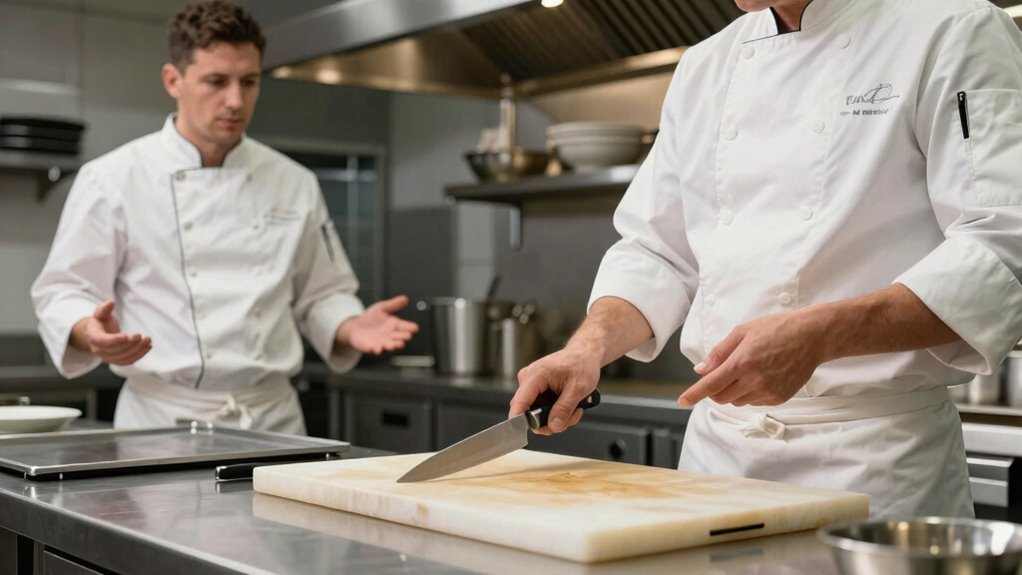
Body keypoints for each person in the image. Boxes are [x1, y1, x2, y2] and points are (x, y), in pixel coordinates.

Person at [511, 0, 1022, 517]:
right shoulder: (705, 66)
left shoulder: (953, 30)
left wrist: (818, 336)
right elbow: (656, 250)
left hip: (875, 468)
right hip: (718, 463)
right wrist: (587, 350)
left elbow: (1003, 245)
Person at [31, 0, 418, 434]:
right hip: (161, 423)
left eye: (249, 82)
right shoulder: (113, 179)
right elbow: (64, 291)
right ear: (173, 80)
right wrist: (88, 332)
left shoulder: (293, 181)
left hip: (272, 421)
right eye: (216, 81)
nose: (235, 100)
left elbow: (320, 294)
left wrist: (348, 325)